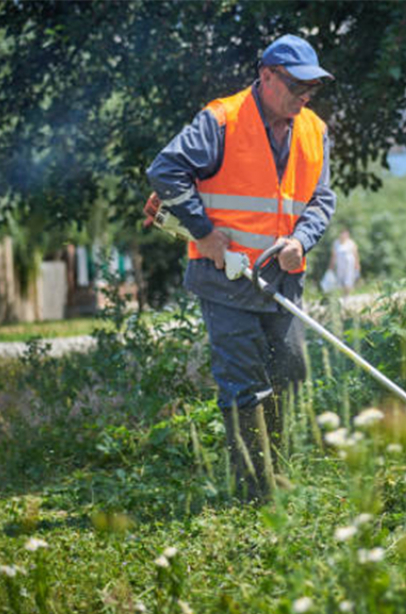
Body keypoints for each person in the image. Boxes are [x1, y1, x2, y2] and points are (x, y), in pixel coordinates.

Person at [143, 34, 336, 501]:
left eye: (311, 87)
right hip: (224, 278)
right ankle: (256, 488)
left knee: (288, 369)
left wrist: (301, 240)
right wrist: (204, 233)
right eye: (296, 85)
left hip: (282, 279)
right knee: (244, 380)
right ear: (267, 76)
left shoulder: (314, 130)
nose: (304, 95)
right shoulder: (222, 120)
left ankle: (275, 471)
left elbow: (321, 200)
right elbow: (165, 170)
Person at [328, 228, 360, 294]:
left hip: (349, 265)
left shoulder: (351, 243)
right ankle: (341, 294)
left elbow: (355, 254)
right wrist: (331, 266)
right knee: (340, 280)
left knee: (348, 280)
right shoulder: (336, 243)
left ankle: (347, 294)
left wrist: (357, 264)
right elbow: (333, 255)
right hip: (340, 264)